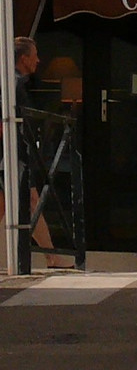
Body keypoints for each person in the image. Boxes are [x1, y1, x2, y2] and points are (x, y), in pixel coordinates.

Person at [0, 37, 66, 268]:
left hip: (11, 152)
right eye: (35, 55)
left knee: (29, 200)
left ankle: (52, 257)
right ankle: (52, 257)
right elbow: (13, 120)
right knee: (30, 199)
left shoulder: (12, 81)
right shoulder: (14, 83)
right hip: (10, 154)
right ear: (23, 58)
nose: (38, 60)